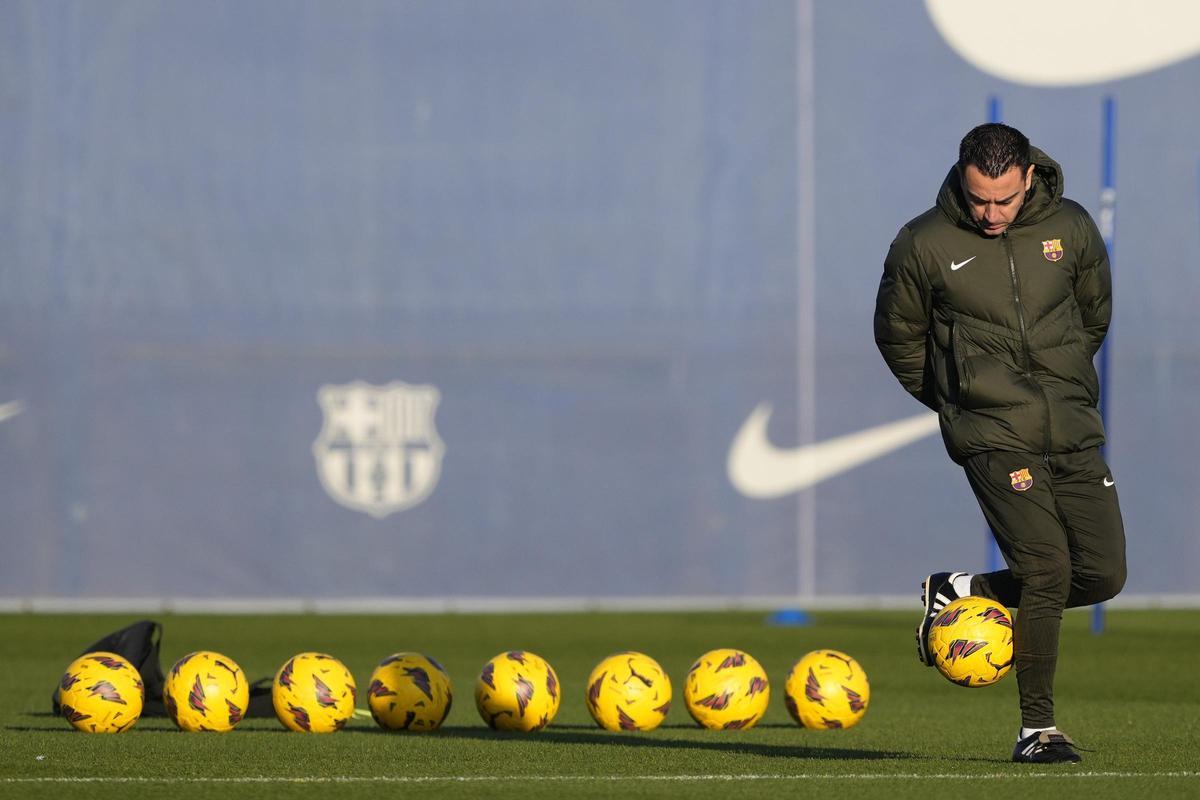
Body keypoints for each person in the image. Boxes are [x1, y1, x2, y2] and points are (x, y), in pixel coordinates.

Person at [873, 123, 1127, 764]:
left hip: (1070, 425)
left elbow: (1093, 314)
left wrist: (1060, 386)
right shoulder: (922, 242)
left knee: (1101, 574)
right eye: (979, 197)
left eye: (1004, 199)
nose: (991, 213)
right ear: (963, 176)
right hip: (990, 433)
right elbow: (897, 337)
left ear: (1028, 179)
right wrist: (958, 399)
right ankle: (1036, 729)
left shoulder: (1070, 227)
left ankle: (963, 589)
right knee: (1046, 569)